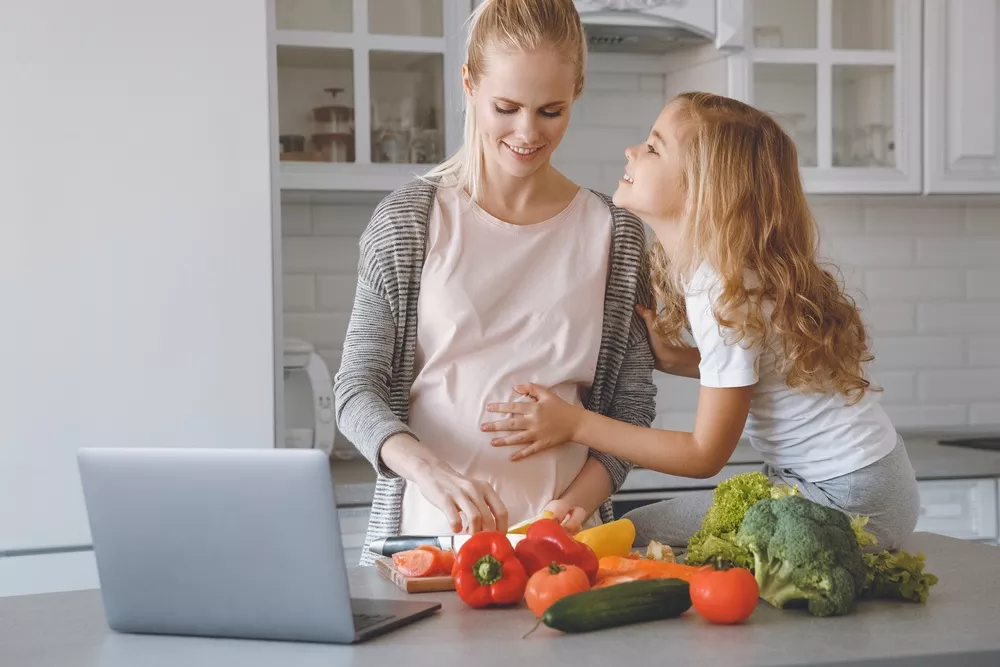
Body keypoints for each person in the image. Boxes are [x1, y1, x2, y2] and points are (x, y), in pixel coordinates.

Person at [481, 92, 920, 551]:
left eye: (653, 148)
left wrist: (574, 424)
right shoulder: (732, 276)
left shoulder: (721, 291)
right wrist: (681, 360)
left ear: (701, 190)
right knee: (642, 531)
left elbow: (704, 454)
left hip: (848, 498)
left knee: (636, 532)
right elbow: (769, 371)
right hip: (869, 480)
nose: (632, 151)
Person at [334, 0, 657, 565]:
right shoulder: (410, 221)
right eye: (506, 107)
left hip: (562, 555)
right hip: (423, 547)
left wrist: (567, 516)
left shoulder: (615, 233)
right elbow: (356, 390)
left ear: (577, 91)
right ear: (469, 83)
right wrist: (425, 467)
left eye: (551, 111)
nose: (528, 133)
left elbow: (629, 412)